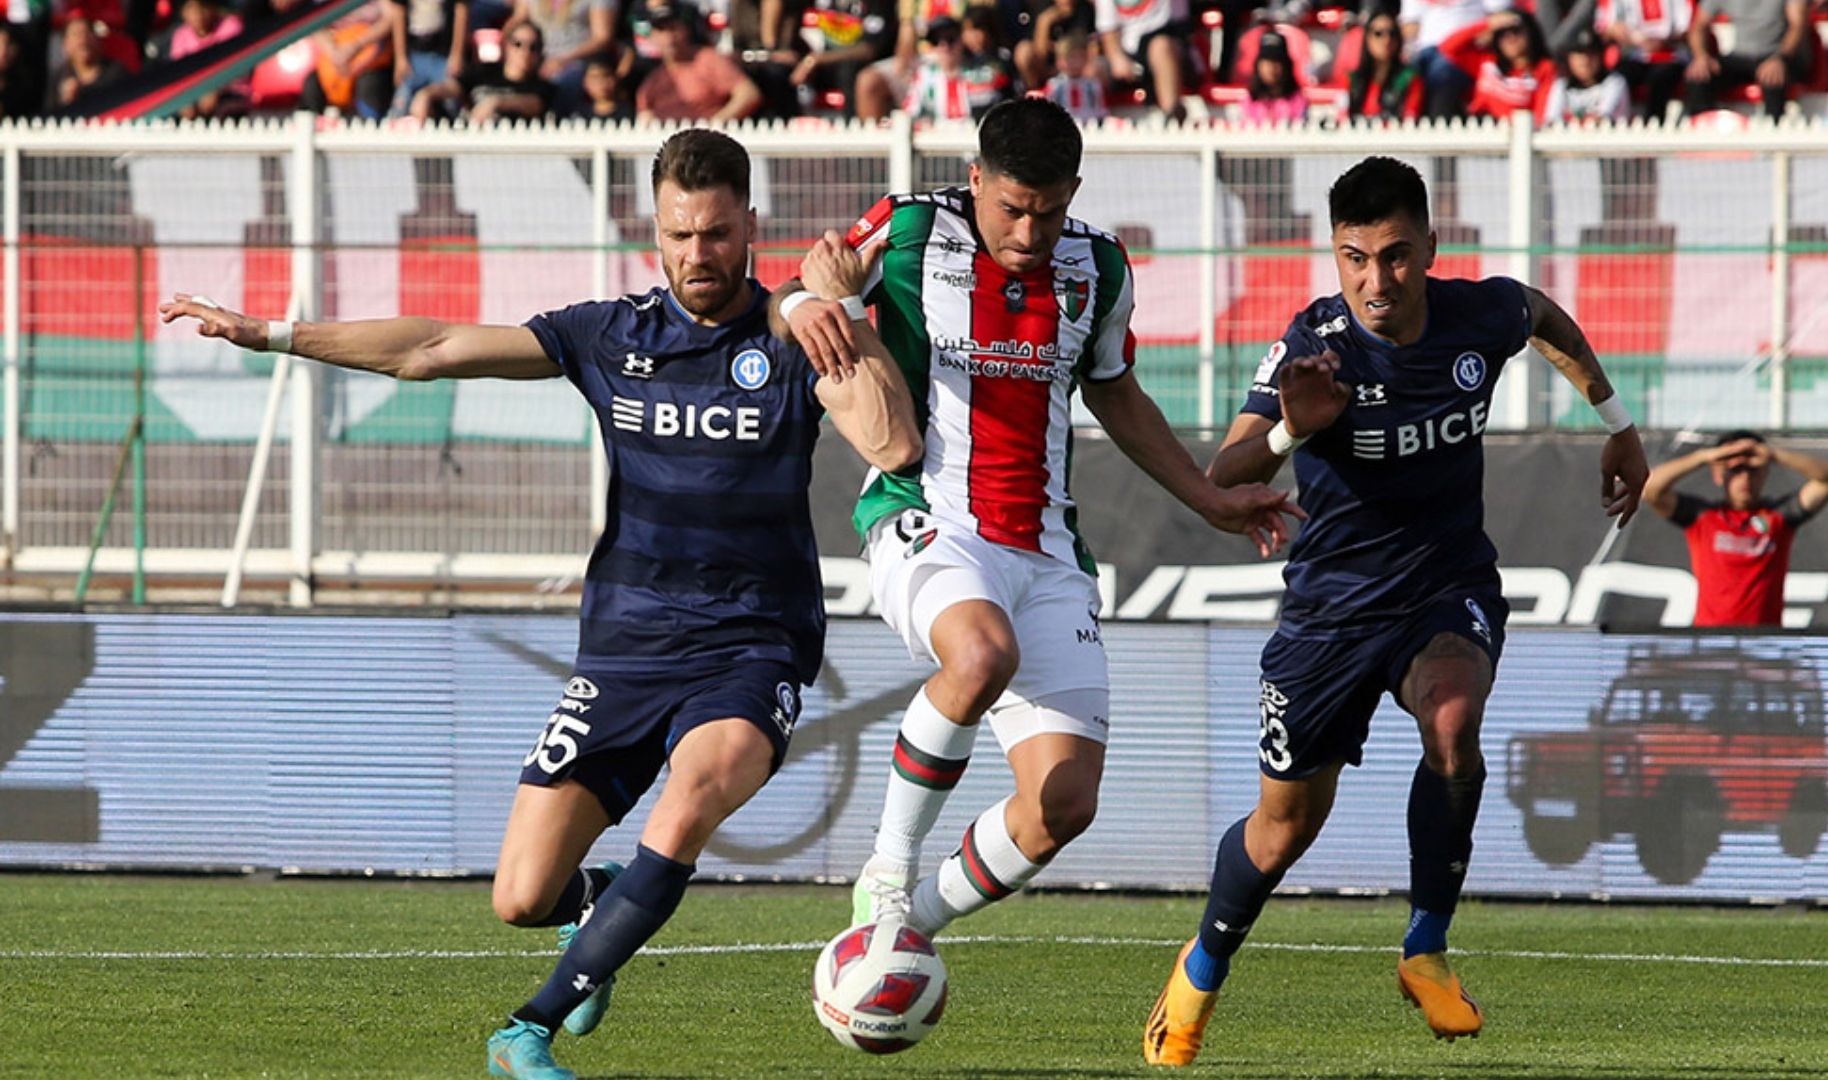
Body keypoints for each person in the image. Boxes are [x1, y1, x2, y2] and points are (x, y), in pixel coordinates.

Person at [159, 128, 922, 1080]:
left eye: (719, 233)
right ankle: (606, 898)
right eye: (682, 234)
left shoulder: (796, 334)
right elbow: (432, 348)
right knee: (523, 896)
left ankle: (527, 1027)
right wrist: (271, 333)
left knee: (691, 797)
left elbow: (894, 447)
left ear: (750, 227)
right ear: (655, 230)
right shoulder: (611, 336)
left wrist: (840, 316)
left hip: (751, 647)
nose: (699, 255)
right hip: (624, 651)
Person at [1142, 155, 1650, 1065]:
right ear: (1333, 257)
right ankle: (1203, 965)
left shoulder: (1478, 315)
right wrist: (1295, 426)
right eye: (1355, 259)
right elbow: (1223, 480)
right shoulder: (1313, 345)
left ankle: (1425, 948)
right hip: (1329, 615)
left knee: (1454, 723)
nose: (1378, 281)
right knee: (1284, 829)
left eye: (1398, 256)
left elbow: (1540, 314)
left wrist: (1617, 423)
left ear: (1430, 247)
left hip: (1442, 587)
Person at [775, 99, 1301, 947]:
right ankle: (886, 873)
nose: (1028, 231)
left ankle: (912, 932)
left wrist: (1208, 497)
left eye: (1048, 212)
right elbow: (797, 287)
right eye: (1012, 208)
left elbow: (1115, 389)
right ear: (976, 180)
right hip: (928, 517)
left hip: (1048, 548)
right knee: (981, 654)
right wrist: (806, 303)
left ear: (1074, 194)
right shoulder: (909, 230)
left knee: (1063, 805)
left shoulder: (1098, 268)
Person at [1642, 431, 1828, 627]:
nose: (1745, 479)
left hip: (1763, 645)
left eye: (1752, 470)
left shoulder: (1779, 516)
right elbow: (1651, 489)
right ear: (1719, 474)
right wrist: (1705, 457)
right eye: (1736, 470)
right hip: (1711, 645)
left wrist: (1774, 455)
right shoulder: (1703, 517)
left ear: (1765, 472)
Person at [634, 2, 762, 122]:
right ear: (652, 37)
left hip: (706, 139)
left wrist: (716, 124)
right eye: (661, 30)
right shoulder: (654, 79)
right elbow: (644, 112)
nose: (669, 38)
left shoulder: (708, 60)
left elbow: (748, 94)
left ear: (686, 30)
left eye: (673, 28)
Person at [1683, 0, 1809, 121]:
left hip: (1778, 54)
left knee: (1773, 77)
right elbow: (1698, 26)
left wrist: (1779, 58)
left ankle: (1775, 130)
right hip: (1740, 56)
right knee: (1699, 76)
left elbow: (1797, 26)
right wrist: (1701, 57)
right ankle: (1702, 127)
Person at [411, 21, 557, 123]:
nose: (525, 52)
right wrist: (426, 94)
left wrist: (496, 102)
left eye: (533, 47)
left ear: (540, 53)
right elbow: (453, 87)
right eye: (518, 44)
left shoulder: (541, 86)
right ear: (506, 46)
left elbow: (536, 104)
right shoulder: (484, 71)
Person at [1437, 7, 1557, 121]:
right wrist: (1488, 24)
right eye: (1502, 34)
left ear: (1530, 33)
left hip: (1516, 134)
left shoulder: (1544, 69)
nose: (1510, 38)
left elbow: (1542, 112)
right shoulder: (1486, 61)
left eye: (1516, 31)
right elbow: (1447, 47)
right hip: (1479, 128)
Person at [1342, 8, 1425, 122]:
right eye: (1378, 33)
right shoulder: (1352, 79)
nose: (1386, 40)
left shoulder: (1410, 78)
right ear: (1367, 38)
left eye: (1392, 33)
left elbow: (1410, 118)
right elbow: (1342, 116)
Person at [1543, 25, 1630, 122]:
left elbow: (1602, 119)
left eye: (1591, 54)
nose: (1585, 61)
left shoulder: (1614, 82)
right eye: (1579, 55)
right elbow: (1551, 121)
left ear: (1600, 57)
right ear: (1569, 59)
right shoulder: (1562, 85)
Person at [1241, 29, 1308, 123]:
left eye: (1276, 62)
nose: (1271, 68)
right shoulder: (1250, 99)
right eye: (1266, 63)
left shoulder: (1297, 99)